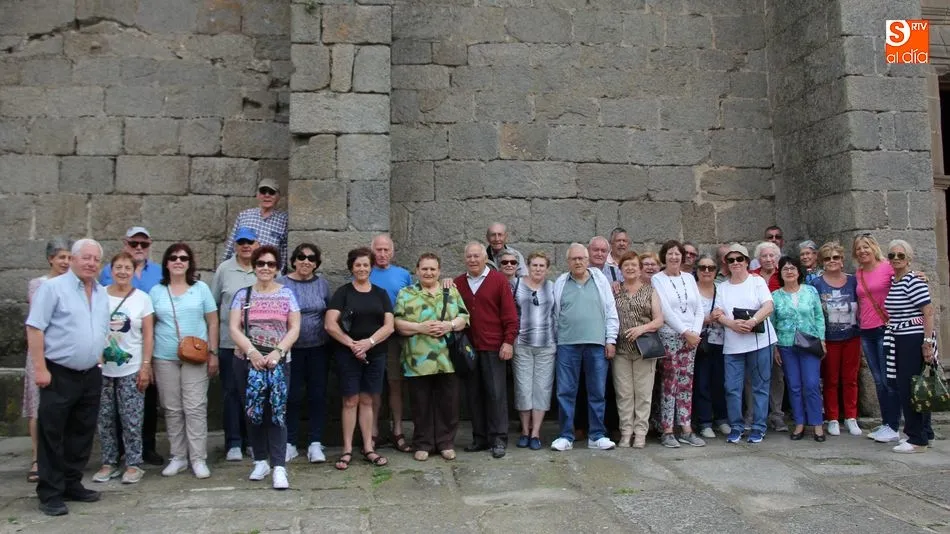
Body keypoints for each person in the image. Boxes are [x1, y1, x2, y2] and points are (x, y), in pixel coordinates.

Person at [26, 239, 109, 517]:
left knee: (81, 433)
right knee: (53, 433)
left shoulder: (100, 292)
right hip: (58, 372)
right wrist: (40, 369)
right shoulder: (53, 288)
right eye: (85, 258)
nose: (90, 263)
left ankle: (72, 483)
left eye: (95, 259)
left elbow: (99, 328)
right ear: (72, 260)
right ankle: (50, 492)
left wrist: (98, 357)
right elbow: (35, 328)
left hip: (90, 374)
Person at [229, 246, 301, 489]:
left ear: (277, 267)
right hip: (247, 362)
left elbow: (294, 327)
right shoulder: (242, 295)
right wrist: (251, 352)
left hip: (278, 362)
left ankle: (279, 466)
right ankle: (260, 459)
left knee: (277, 412)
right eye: (261, 263)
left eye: (270, 264)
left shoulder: (287, 295)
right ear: (254, 266)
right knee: (253, 411)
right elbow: (234, 328)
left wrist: (278, 352)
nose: (265, 268)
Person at [148, 243, 219, 479]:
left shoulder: (200, 289)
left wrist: (213, 353)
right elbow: (151, 325)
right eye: (173, 258)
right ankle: (178, 456)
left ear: (190, 263)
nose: (178, 261)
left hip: (195, 356)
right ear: (166, 263)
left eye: (183, 258)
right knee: (172, 409)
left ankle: (198, 458)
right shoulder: (156, 292)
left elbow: (213, 322)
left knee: (195, 407)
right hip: (164, 357)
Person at [393, 253, 470, 461]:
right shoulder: (406, 293)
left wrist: (449, 325)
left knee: (449, 403)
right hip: (418, 359)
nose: (429, 273)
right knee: (420, 403)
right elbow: (397, 323)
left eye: (433, 269)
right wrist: (420, 327)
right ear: (417, 271)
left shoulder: (450, 291)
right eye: (424, 269)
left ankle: (445, 442)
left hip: (447, 359)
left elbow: (464, 317)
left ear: (439, 271)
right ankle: (423, 443)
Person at [99, 226, 164, 466]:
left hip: (148, 341)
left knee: (146, 400)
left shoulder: (158, 272)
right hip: (115, 347)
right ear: (125, 244)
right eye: (134, 243)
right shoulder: (107, 273)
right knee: (112, 408)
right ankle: (116, 452)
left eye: (143, 244)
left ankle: (146, 448)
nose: (138, 248)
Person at [325, 247, 394, 470]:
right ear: (351, 267)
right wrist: (352, 344)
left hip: (375, 354)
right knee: (350, 401)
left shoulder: (380, 294)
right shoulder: (343, 293)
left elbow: (389, 326)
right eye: (358, 265)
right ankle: (346, 449)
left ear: (371, 267)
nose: (362, 268)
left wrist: (369, 343)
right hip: (347, 355)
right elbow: (330, 324)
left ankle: (368, 448)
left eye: (366, 265)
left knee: (367, 400)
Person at [550, 243, 619, 452]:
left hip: (596, 344)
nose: (578, 262)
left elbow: (610, 310)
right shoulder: (561, 282)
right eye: (574, 259)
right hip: (567, 344)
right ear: (568, 261)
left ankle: (597, 435)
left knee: (597, 391)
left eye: (581, 258)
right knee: (565, 391)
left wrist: (611, 339)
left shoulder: (600, 281)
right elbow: (554, 315)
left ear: (587, 260)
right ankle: (565, 436)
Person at [93, 252, 154, 485]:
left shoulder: (142, 298)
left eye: (127, 268)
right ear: (111, 269)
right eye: (118, 267)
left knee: (131, 417)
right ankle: (109, 461)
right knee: (105, 417)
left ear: (133, 271)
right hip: (102, 367)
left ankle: (134, 462)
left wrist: (145, 366)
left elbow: (148, 335)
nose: (122, 272)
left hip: (131, 366)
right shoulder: (99, 295)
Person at [454, 242, 519, 458]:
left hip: (494, 347)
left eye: (476, 256)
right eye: (469, 256)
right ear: (465, 259)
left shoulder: (498, 280)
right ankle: (479, 438)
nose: (472, 260)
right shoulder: (457, 283)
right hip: (468, 348)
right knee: (474, 395)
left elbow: (510, 316)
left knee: (496, 394)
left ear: (485, 258)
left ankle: (498, 438)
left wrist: (508, 342)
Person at [716, 243, 776, 444]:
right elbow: (717, 313)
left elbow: (768, 305)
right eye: (731, 260)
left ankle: (759, 426)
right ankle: (736, 426)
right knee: (731, 387)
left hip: (759, 341)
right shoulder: (722, 287)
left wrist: (752, 322)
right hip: (733, 345)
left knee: (760, 385)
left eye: (739, 259)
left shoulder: (756, 282)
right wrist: (731, 324)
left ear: (747, 262)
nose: (735, 263)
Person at [23, 237, 72, 484]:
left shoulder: (76, 285)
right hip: (42, 353)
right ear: (50, 259)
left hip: (65, 355)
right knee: (37, 407)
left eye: (68, 257)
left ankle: (58, 457)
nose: (65, 262)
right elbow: (38, 321)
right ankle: (36, 458)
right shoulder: (39, 285)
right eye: (61, 257)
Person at [278, 243, 331, 463]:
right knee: (291, 395)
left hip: (318, 348)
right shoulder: (282, 283)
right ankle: (289, 442)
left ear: (316, 263)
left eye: (311, 258)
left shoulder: (322, 285)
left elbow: (328, 311)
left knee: (317, 395)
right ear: (293, 260)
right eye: (301, 257)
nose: (306, 261)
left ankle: (315, 442)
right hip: (290, 350)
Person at [210, 227, 258, 462]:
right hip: (230, 343)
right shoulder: (224, 270)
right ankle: (233, 442)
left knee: (254, 392)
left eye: (249, 241)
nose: (245, 246)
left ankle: (252, 440)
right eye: (241, 242)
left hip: (258, 344)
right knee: (231, 392)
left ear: (256, 243)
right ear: (236, 245)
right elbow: (214, 305)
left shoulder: (264, 268)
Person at [651, 240, 705, 447]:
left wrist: (695, 333)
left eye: (677, 254)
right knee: (669, 383)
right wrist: (684, 331)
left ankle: (686, 427)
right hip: (670, 336)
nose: (674, 257)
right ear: (664, 257)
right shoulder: (658, 279)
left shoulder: (689, 278)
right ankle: (667, 429)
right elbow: (665, 310)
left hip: (691, 339)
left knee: (686, 383)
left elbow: (698, 308)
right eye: (670, 254)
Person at [884, 240, 936, 453]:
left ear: (909, 259)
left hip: (912, 338)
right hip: (901, 337)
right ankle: (924, 432)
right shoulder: (896, 281)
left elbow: (928, 311)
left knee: (910, 387)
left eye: (901, 255)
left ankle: (917, 438)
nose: (896, 259)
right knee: (917, 386)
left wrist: (927, 342)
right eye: (892, 255)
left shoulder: (912, 281)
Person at [368, 234, 414, 454]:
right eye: (378, 249)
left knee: (396, 385)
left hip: (396, 338)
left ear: (392, 252)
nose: (382, 254)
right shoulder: (365, 271)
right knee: (374, 387)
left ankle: (397, 430)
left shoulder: (403, 275)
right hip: (372, 338)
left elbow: (413, 303)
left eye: (386, 250)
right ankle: (373, 431)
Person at [612, 251, 664, 448]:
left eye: (634, 265)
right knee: (624, 394)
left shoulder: (650, 291)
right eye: (626, 265)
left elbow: (659, 320)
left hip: (644, 349)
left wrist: (642, 328)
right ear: (621, 269)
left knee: (643, 394)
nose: (631, 268)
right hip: (621, 350)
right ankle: (626, 432)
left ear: (640, 268)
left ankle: (640, 432)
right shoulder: (615, 290)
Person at [771, 256, 826, 442]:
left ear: (798, 272)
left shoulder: (810, 291)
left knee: (811, 384)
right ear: (780, 273)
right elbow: (773, 323)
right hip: (786, 344)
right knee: (794, 386)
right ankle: (799, 423)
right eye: (785, 269)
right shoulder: (776, 296)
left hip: (810, 343)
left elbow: (819, 316)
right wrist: (775, 348)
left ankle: (817, 424)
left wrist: (822, 339)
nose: (789, 271)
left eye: (793, 268)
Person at [854, 234, 901, 443]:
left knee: (888, 379)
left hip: (885, 328)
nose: (863, 251)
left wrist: (919, 275)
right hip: (867, 330)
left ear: (874, 248)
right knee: (878, 381)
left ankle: (893, 425)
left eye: (866, 247)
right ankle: (887, 423)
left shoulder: (887, 267)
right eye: (858, 249)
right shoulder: (859, 273)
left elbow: (905, 279)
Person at [811, 242, 862, 436]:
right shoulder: (816, 284)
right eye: (827, 258)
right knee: (830, 379)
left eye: (836, 257)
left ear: (842, 260)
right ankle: (832, 417)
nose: (832, 261)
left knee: (850, 378)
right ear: (822, 262)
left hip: (852, 336)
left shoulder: (853, 281)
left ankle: (851, 417)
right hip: (828, 338)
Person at [511, 251, 556, 450]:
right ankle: (524, 431)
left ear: (547, 269)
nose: (538, 269)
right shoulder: (517, 285)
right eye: (534, 265)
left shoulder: (552, 287)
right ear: (528, 266)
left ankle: (536, 432)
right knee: (523, 389)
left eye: (542, 266)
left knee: (542, 389)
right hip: (522, 344)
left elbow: (557, 314)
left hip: (546, 345)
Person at [693, 254, 729, 439]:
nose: (706, 271)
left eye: (711, 268)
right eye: (702, 267)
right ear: (697, 270)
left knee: (720, 382)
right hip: (700, 343)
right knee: (702, 383)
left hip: (722, 342)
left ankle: (722, 419)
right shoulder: (692, 289)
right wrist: (707, 319)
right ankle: (705, 421)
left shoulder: (722, 289)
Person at [751, 240, 785, 432]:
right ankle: (756, 415)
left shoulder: (784, 275)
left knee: (777, 376)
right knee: (754, 375)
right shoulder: (752, 277)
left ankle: (777, 414)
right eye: (764, 256)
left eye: (772, 255)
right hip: (756, 331)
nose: (768, 259)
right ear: (758, 259)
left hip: (780, 333)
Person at [224, 178, 289, 272]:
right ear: (257, 195)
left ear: (278, 197)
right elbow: (231, 245)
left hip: (266, 272)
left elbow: (284, 253)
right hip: (240, 270)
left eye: (271, 192)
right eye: (263, 191)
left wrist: (278, 275)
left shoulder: (284, 220)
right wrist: (224, 269)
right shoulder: (244, 215)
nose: (267, 195)